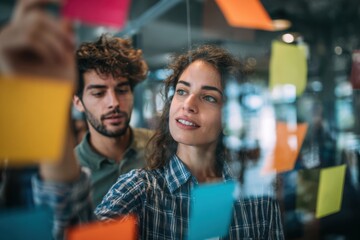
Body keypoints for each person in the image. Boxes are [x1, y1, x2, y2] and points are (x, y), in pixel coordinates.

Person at [34, 45, 284, 239]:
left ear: (229, 114)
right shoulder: (141, 189)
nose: (188, 105)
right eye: (182, 91)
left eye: (208, 97)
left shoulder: (257, 194)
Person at [72, 35, 153, 208]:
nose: (114, 103)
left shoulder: (160, 146)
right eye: (99, 93)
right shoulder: (71, 173)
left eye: (122, 90)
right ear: (78, 102)